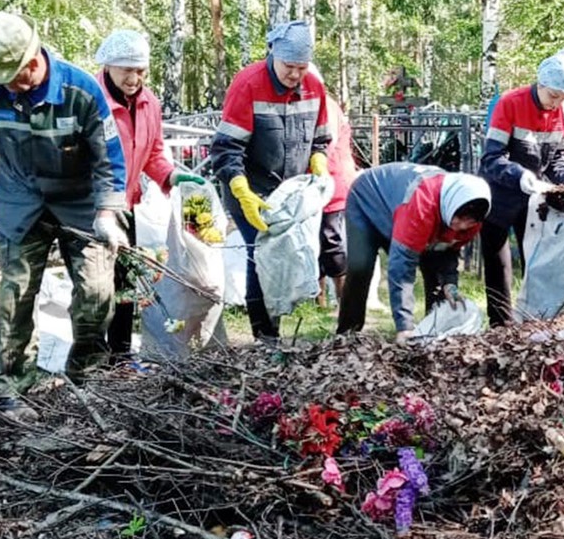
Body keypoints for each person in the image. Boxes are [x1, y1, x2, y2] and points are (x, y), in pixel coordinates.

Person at [0, 12, 127, 380]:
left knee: (95, 296)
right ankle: (9, 383)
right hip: (21, 199)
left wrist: (106, 212)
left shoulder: (81, 91)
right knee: (14, 299)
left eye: (12, 79)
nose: (5, 88)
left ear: (33, 60)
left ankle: (86, 377)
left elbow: (110, 157)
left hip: (81, 202)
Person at [210, 20, 331, 341]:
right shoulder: (248, 84)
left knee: (285, 254)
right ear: (273, 55)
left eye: (302, 67)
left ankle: (276, 324)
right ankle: (265, 337)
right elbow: (225, 149)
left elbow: (320, 140)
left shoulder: (314, 87)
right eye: (289, 66)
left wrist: (319, 163)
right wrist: (241, 190)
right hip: (249, 189)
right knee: (260, 253)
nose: (295, 75)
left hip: (288, 193)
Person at [93, 29, 206, 356]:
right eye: (126, 69)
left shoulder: (149, 103)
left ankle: (121, 357)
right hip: (90, 205)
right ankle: (91, 359)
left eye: (140, 70)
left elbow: (153, 152)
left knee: (125, 283)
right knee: (95, 288)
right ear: (109, 66)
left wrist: (172, 176)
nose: (134, 78)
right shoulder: (90, 99)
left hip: (125, 205)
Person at [478, 49, 564, 326]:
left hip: (535, 199)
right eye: (553, 95)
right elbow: (491, 157)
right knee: (499, 263)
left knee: (535, 261)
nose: (556, 103)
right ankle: (500, 324)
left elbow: (560, 159)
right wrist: (519, 175)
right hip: (499, 192)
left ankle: (534, 320)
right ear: (541, 83)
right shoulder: (510, 103)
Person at [336, 162, 491, 342]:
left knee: (434, 271)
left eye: (469, 223)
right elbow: (401, 267)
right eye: (460, 219)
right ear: (452, 206)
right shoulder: (422, 204)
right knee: (360, 267)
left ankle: (433, 334)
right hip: (368, 201)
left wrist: (451, 286)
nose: (462, 226)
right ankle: (347, 334)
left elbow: (448, 254)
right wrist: (404, 326)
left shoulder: (471, 220)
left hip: (408, 213)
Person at [309, 66, 356, 307]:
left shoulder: (325, 105)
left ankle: (344, 300)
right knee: (314, 242)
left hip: (333, 184)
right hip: (314, 185)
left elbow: (326, 144)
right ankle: (319, 301)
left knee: (332, 242)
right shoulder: (309, 105)